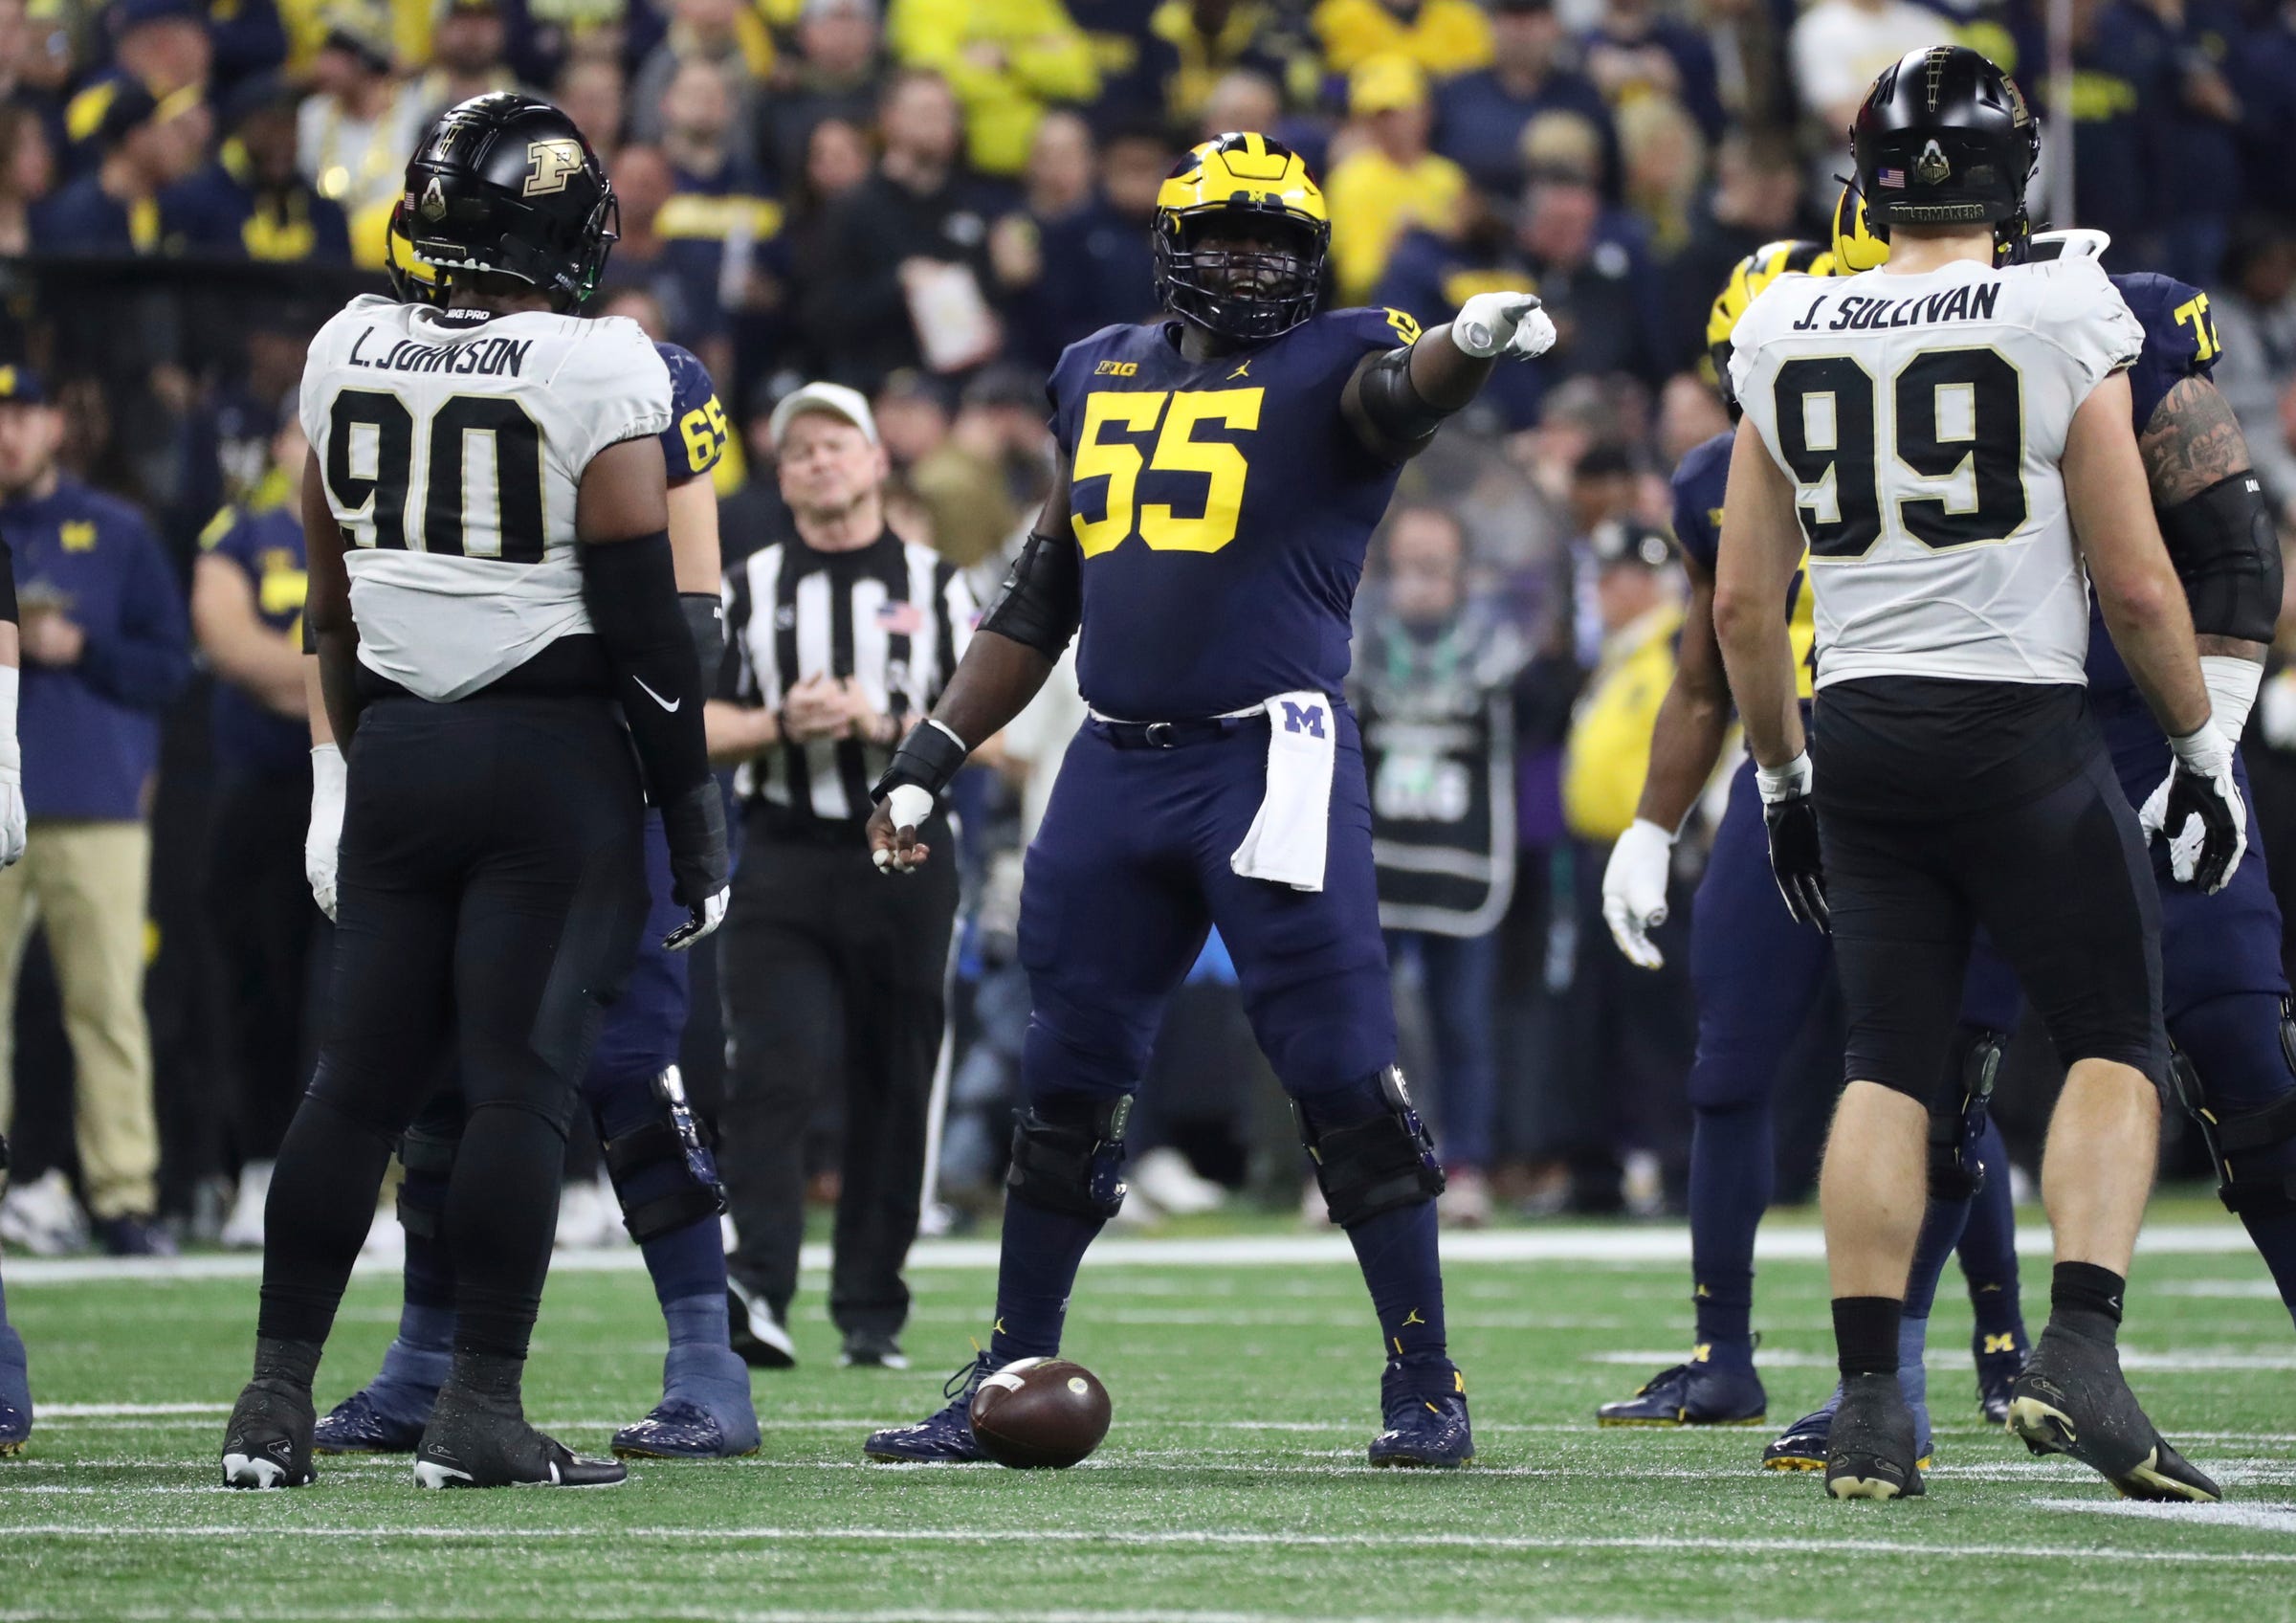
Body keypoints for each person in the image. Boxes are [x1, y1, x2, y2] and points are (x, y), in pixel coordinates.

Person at [858, 131, 1555, 1468]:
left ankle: (1425, 1381)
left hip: (1267, 758)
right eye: (1227, 238)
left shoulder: (1335, 358)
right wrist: (928, 754)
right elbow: (1044, 593)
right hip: (1114, 765)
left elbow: (1401, 396)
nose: (1250, 264)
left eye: (1277, 242)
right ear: (1174, 246)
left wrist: (1469, 343)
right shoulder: (1094, 370)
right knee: (1063, 1087)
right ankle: (1007, 1371)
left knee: (1346, 1076)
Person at [1713, 46, 2237, 1502]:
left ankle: (1876, 1403)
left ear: (1870, 181)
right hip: (2020, 734)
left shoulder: (1785, 315)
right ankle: (2078, 1345)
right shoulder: (2066, 302)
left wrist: (1780, 780)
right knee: (2113, 1036)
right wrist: (2201, 744)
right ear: (2017, 173)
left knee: (1888, 1060)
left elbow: (1745, 610)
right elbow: (2136, 583)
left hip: (1862, 729)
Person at [217, 92, 729, 1493]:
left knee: (356, 1084)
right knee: (519, 1089)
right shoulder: (600, 363)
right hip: (551, 757)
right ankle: (481, 1410)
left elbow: (328, 604)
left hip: (396, 748)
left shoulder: (343, 342)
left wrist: (348, 762)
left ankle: (271, 1403)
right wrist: (688, 810)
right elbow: (644, 622)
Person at [1595, 240, 2026, 1447]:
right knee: (1732, 1061)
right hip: (1789, 776)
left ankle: (1991, 1342)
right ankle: (1722, 1353)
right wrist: (1649, 820)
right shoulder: (1708, 481)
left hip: (1929, 754)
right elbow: (1707, 659)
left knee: (1930, 1075)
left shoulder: (1939, 420)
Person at [303, 322, 758, 1460]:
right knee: (441, 1075)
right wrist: (334, 772)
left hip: (599, 761)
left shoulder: (640, 374)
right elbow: (343, 600)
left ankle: (708, 1355)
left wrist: (668, 790)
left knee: (626, 1060)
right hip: (443, 758)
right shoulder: (382, 359)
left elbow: (686, 617)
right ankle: (422, 1360)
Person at [706, 381, 975, 1372]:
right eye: (800, 450)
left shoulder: (939, 584)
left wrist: (884, 728)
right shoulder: (749, 585)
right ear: (782, 478)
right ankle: (757, 1289)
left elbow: (977, 725)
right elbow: (696, 725)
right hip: (783, 848)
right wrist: (784, 722)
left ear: (873, 461)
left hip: (900, 855)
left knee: (893, 1078)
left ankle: (871, 1305)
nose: (820, 460)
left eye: (837, 444)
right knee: (772, 1071)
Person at [0, 365, 188, 1258]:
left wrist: (80, 646)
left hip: (96, 799)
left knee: (109, 1004)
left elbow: (169, 665)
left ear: (54, 427)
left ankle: (124, 1194)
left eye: (22, 415)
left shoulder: (115, 531)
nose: (9, 433)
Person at [1353, 505, 1528, 1227]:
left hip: (1463, 862)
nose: (1421, 578)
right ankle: (1359, 1161)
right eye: (1408, 562)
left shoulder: (1501, 648)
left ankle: (1468, 1164)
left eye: (1436, 562)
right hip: (1380, 858)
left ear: (1463, 569)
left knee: (1463, 1024)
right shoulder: (1357, 643)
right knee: (1364, 1026)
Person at [190, 405, 322, 1251]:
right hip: (266, 790)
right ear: (280, 446)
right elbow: (231, 643)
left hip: (367, 791)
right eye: (304, 431)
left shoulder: (389, 532)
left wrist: (297, 681)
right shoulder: (242, 532)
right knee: (260, 987)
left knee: (360, 998)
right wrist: (330, 684)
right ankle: (262, 1169)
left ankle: (377, 1190)